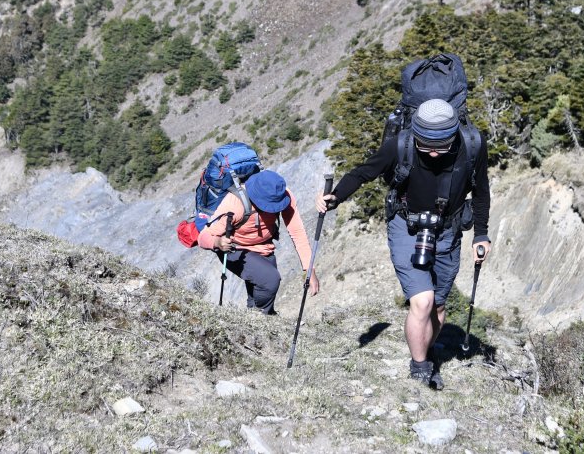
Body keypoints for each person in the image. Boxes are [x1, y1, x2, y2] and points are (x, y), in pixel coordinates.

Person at [316, 98, 490, 389]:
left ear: (454, 136)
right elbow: (363, 172)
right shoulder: (403, 144)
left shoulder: (472, 144)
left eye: (441, 147)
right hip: (406, 227)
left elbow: (481, 190)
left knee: (439, 306)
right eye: (426, 146)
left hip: (448, 231)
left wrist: (481, 234)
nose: (433, 154)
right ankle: (420, 368)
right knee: (422, 301)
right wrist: (336, 197)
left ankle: (427, 350)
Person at [198, 170, 320, 314]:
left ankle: (252, 323)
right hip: (235, 249)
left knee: (259, 293)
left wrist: (309, 269)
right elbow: (203, 237)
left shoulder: (282, 195)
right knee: (270, 280)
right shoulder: (235, 203)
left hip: (264, 248)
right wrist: (218, 242)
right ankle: (259, 318)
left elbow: (297, 231)